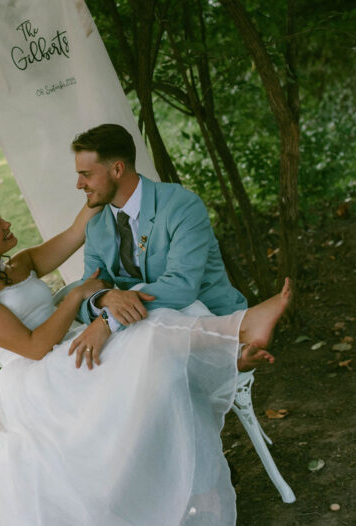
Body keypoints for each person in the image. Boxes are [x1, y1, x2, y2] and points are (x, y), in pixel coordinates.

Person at [0, 199, 290, 526]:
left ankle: (234, 345)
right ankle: (235, 339)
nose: (7, 224)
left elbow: (74, 232)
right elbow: (33, 347)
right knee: (148, 338)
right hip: (42, 381)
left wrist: (98, 192)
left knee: (148, 327)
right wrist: (76, 298)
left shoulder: (14, 264)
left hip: (68, 353)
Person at [68, 123, 263, 370]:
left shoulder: (181, 205)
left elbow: (182, 286)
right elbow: (88, 291)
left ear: (117, 169)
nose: (79, 184)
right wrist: (106, 297)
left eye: (86, 174)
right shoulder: (97, 228)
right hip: (148, 328)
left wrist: (110, 319)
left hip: (207, 319)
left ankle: (238, 343)